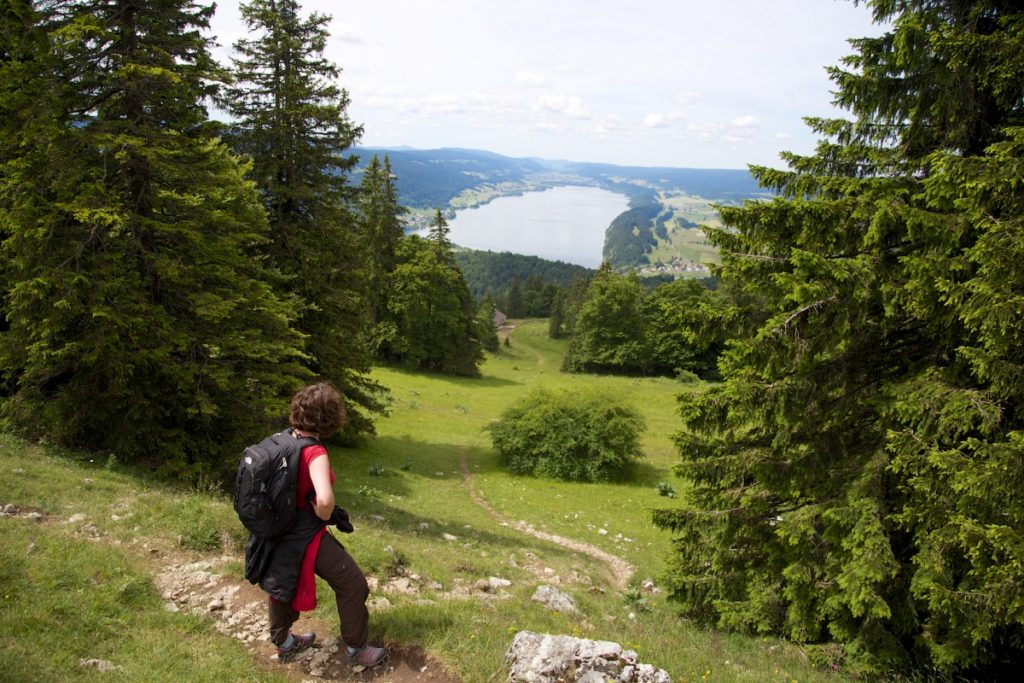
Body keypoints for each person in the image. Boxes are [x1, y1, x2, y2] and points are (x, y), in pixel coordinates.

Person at [258, 382, 388, 667]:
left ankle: (285, 643)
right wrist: (322, 510)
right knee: (353, 584)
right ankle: (357, 649)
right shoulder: (314, 452)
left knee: (281, 585)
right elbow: (325, 500)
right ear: (330, 417)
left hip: (277, 533)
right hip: (305, 535)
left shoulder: (282, 440)